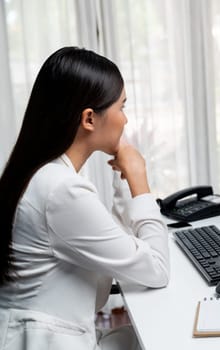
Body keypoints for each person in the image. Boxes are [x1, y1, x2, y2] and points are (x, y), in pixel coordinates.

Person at [0, 47, 170, 349]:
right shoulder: (61, 191)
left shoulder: (44, 174)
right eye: (122, 107)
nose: (126, 120)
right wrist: (141, 185)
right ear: (90, 118)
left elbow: (115, 252)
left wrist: (124, 181)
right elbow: (156, 270)